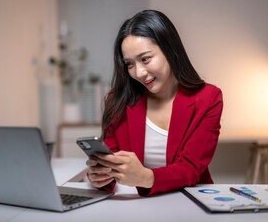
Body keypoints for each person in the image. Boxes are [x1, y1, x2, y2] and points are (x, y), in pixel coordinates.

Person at [86, 10, 223, 196]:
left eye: (145, 59)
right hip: (135, 207)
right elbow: (111, 165)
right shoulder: (118, 101)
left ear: (170, 49)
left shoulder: (209, 98)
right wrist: (99, 178)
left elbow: (190, 169)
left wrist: (145, 176)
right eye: (130, 64)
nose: (139, 72)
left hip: (190, 202)